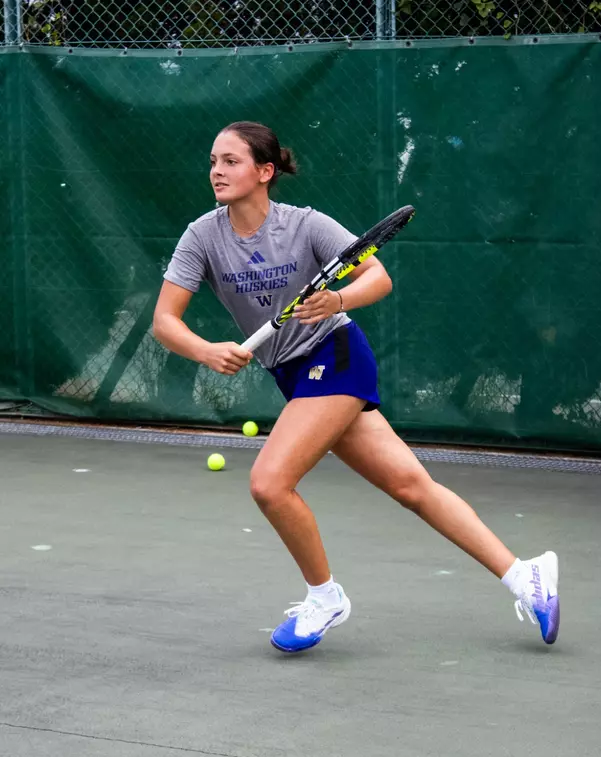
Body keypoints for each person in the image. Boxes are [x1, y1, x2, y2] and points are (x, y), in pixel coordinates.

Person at [153, 121, 560, 653]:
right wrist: (206, 349)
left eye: (231, 161)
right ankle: (523, 576)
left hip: (335, 354)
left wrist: (336, 300)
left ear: (265, 171)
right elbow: (165, 321)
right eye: (213, 161)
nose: (217, 171)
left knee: (270, 483)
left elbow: (377, 278)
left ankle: (325, 597)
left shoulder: (306, 225)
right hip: (289, 371)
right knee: (411, 486)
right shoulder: (202, 235)